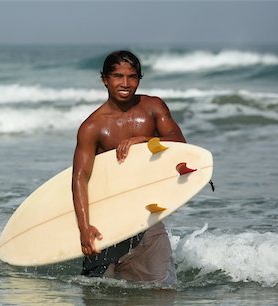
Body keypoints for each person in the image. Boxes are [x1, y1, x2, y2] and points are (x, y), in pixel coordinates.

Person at [71, 50, 186, 284]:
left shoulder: (153, 108)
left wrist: (145, 141)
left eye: (132, 77)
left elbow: (180, 144)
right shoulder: (92, 127)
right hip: (107, 220)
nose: (125, 83)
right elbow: (80, 178)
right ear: (105, 79)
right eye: (117, 76)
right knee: (98, 293)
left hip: (147, 217)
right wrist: (84, 228)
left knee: (163, 290)